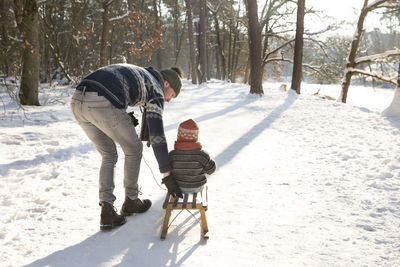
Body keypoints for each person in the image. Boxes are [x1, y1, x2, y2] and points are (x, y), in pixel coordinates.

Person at [70, 63, 183, 231]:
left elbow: (115, 85)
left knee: (108, 154)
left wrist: (122, 115)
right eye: (171, 95)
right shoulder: (156, 89)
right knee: (134, 149)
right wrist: (167, 174)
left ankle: (107, 210)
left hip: (78, 100)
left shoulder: (144, 73)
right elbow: (156, 135)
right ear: (166, 84)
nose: (168, 100)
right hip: (102, 101)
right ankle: (131, 201)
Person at [169, 119, 216, 194]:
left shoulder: (172, 154)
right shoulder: (202, 155)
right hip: (197, 187)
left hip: (177, 187)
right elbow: (211, 170)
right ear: (196, 136)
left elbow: (168, 171)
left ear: (179, 135)